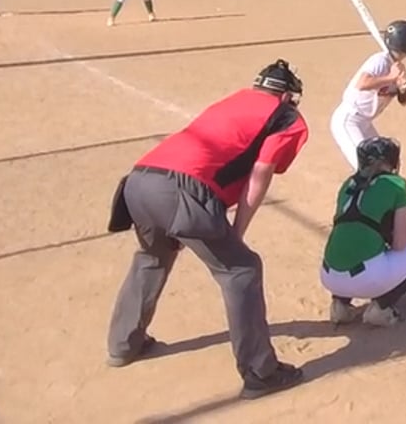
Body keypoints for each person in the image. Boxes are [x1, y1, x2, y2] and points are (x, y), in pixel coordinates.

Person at [105, 61, 310, 400]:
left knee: (152, 257)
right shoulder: (285, 116)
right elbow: (261, 173)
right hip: (182, 190)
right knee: (242, 269)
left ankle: (124, 344)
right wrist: (238, 231)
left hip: (139, 180)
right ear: (287, 95)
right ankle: (260, 372)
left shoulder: (234, 100)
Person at [320, 136, 406, 328]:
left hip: (329, 276)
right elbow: (400, 244)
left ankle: (340, 305)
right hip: (368, 278)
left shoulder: (347, 185)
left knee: (354, 245)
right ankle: (381, 307)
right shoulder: (396, 183)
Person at [330, 20, 406, 170]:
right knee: (367, 167)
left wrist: (402, 89)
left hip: (365, 123)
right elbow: (362, 83)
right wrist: (391, 78)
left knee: (388, 162)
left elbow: (404, 101)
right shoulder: (380, 61)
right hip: (349, 120)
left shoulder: (397, 67)